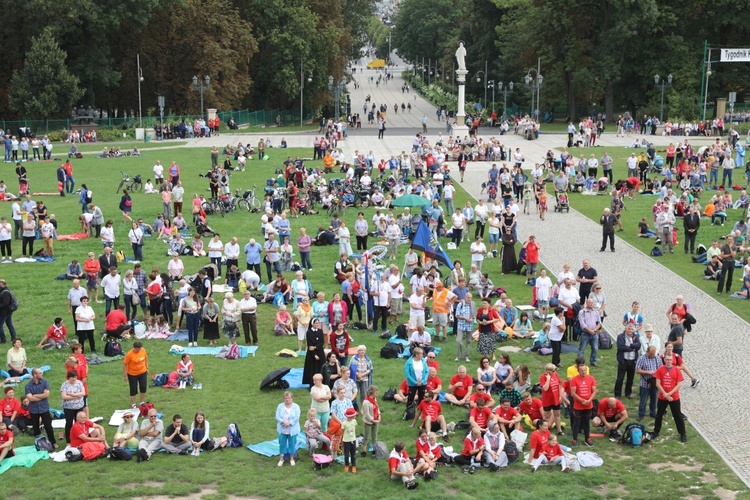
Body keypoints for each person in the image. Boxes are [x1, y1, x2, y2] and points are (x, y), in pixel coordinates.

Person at [652, 350, 687, 442]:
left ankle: (682, 433)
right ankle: (656, 431)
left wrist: (669, 394)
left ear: (672, 360)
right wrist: (665, 394)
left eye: (670, 360)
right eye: (667, 360)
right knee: (659, 415)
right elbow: (658, 384)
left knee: (678, 415)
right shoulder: (660, 369)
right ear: (664, 360)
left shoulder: (676, 370)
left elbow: (678, 384)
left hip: (674, 397)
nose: (669, 361)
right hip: (662, 397)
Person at [24, 368, 56, 448]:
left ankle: (53, 442)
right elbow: (30, 398)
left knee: (48, 426)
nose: (42, 374)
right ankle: (38, 443)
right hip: (34, 410)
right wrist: (41, 396)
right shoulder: (28, 386)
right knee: (36, 427)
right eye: (40, 373)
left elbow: (46, 395)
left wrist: (35, 395)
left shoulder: (45, 382)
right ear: (35, 375)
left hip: (44, 408)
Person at [569, 362, 596, 447]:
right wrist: (581, 400)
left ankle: (587, 438)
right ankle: (574, 439)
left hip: (588, 405)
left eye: (585, 370)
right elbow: (573, 393)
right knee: (576, 422)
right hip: (578, 406)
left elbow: (594, 391)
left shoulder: (591, 378)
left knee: (586, 422)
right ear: (578, 371)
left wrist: (589, 400)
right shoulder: (574, 380)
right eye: (582, 370)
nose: (584, 372)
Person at [614, 324, 641, 399]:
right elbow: (621, 347)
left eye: (631, 329)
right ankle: (617, 394)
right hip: (623, 361)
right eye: (629, 329)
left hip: (632, 361)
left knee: (630, 379)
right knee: (620, 378)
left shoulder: (635, 336)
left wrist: (630, 345)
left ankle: (628, 393)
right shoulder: (620, 336)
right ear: (625, 328)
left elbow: (638, 346)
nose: (630, 330)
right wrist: (632, 348)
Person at [60, 369, 86, 444]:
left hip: (79, 406)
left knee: (79, 422)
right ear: (69, 377)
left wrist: (72, 395)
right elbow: (64, 397)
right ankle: (68, 440)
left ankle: (80, 437)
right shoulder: (65, 384)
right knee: (69, 423)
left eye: (75, 377)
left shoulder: (79, 383)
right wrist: (77, 396)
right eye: (72, 377)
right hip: (68, 407)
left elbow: (83, 393)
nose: (74, 379)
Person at [276, 391, 301, 467]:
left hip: (292, 430)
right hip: (282, 429)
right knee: (282, 444)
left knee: (292, 444)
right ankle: (281, 459)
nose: (287, 399)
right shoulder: (280, 406)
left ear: (292, 398)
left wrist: (289, 423)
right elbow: (277, 416)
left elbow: (297, 417)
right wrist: (283, 422)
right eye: (285, 398)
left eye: (289, 398)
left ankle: (292, 458)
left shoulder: (296, 406)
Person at [123, 341, 149, 410]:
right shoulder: (129, 354)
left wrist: (147, 367)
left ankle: (142, 402)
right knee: (133, 389)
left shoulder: (143, 350)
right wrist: (125, 375)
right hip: (132, 374)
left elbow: (146, 358)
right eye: (137, 349)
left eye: (139, 349)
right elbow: (125, 364)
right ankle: (133, 404)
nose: (138, 350)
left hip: (142, 372)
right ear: (134, 348)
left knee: (143, 387)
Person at [454, 292, 476, 363]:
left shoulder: (473, 304)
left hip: (469, 326)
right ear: (465, 297)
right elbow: (457, 315)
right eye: (468, 298)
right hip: (461, 325)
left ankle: (467, 356)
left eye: (471, 298)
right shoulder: (460, 305)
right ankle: (459, 356)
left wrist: (472, 318)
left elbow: (474, 314)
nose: (470, 299)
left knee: (468, 341)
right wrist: (465, 318)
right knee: (459, 341)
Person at [302, 319, 325, 386]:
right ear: (312, 324)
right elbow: (310, 344)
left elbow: (322, 342)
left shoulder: (320, 331)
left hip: (320, 351)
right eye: (316, 323)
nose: (317, 325)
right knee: (312, 368)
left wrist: (315, 347)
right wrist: (314, 354)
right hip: (311, 353)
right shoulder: (309, 332)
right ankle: (312, 384)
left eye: (318, 323)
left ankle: (321, 383)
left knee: (320, 367)